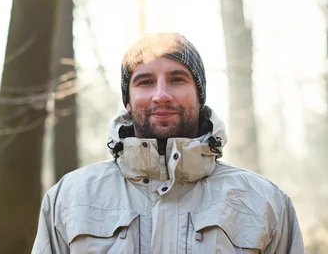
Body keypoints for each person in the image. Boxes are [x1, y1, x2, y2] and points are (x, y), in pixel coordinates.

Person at [32, 32, 304, 253]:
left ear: (200, 95)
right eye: (146, 82)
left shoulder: (264, 202)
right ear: (128, 100)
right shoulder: (69, 199)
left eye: (177, 80)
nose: (161, 95)